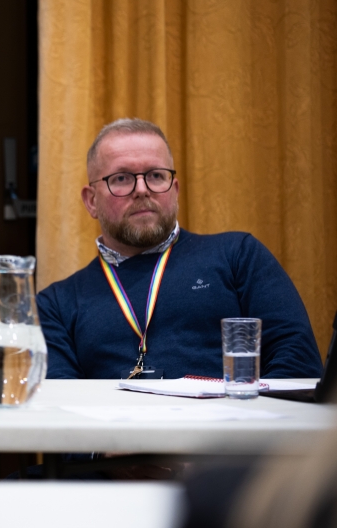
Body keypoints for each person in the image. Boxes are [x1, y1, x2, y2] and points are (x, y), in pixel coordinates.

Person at [37, 118, 322, 380]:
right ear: (91, 201)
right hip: (118, 436)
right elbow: (63, 403)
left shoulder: (238, 256)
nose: (141, 189)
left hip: (230, 432)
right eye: (121, 178)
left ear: (175, 190)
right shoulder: (56, 305)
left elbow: (298, 363)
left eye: (156, 176)